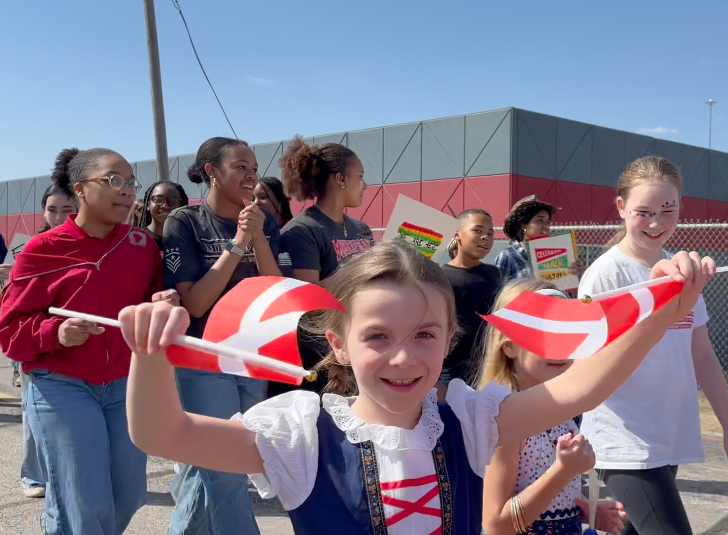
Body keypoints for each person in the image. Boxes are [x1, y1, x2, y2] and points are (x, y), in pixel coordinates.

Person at [122, 240, 712, 534]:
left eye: (425, 334)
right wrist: (149, 355)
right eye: (377, 336)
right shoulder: (302, 435)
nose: (404, 357)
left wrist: (661, 313)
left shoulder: (471, 421)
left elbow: (580, 389)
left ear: (452, 337)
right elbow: (162, 433)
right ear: (338, 343)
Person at [0, 147, 169, 535]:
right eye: (113, 180)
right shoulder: (42, 250)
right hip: (61, 386)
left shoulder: (141, 246)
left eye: (130, 182)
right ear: (80, 188)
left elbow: (148, 301)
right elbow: (9, 333)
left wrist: (158, 303)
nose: (126, 191)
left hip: (125, 386)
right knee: (86, 503)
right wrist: (55, 332)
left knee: (128, 496)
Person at [577, 156, 728, 535]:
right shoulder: (606, 275)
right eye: (643, 212)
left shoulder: (684, 272)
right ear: (621, 207)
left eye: (668, 210)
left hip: (668, 434)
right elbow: (595, 362)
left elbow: (702, 353)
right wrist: (656, 301)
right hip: (625, 440)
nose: (657, 222)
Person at [163, 136, 282, 535]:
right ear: (212, 172)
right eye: (241, 168)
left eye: (254, 168)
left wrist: (259, 236)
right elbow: (195, 303)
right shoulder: (185, 221)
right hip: (204, 357)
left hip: (253, 357)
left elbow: (274, 291)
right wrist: (237, 244)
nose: (251, 176)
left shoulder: (264, 221)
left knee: (215, 468)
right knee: (227, 472)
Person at [481, 279, 628, 535]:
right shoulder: (508, 418)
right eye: (545, 333)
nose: (560, 346)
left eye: (568, 333)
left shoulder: (560, 413)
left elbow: (541, 493)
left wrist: (583, 509)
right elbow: (495, 525)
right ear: (509, 346)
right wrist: (564, 470)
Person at [274, 135, 374, 395]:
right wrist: (355, 270)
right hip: (319, 349)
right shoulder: (301, 231)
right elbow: (306, 296)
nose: (364, 185)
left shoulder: (360, 229)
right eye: (360, 176)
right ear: (341, 179)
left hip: (363, 337)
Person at [17, 182, 79, 499]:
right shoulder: (35, 247)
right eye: (51, 209)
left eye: (67, 209)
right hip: (36, 337)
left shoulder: (91, 244)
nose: (58, 216)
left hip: (79, 340)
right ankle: (33, 475)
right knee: (34, 411)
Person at [441, 209, 501, 388]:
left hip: (489, 363)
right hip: (451, 367)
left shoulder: (494, 273)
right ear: (457, 235)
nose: (486, 237)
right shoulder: (441, 276)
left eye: (490, 234)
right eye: (478, 230)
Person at [139, 180, 189, 251]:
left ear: (181, 205)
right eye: (158, 199)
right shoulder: (135, 240)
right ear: (148, 204)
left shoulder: (191, 241)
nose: (165, 205)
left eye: (173, 200)